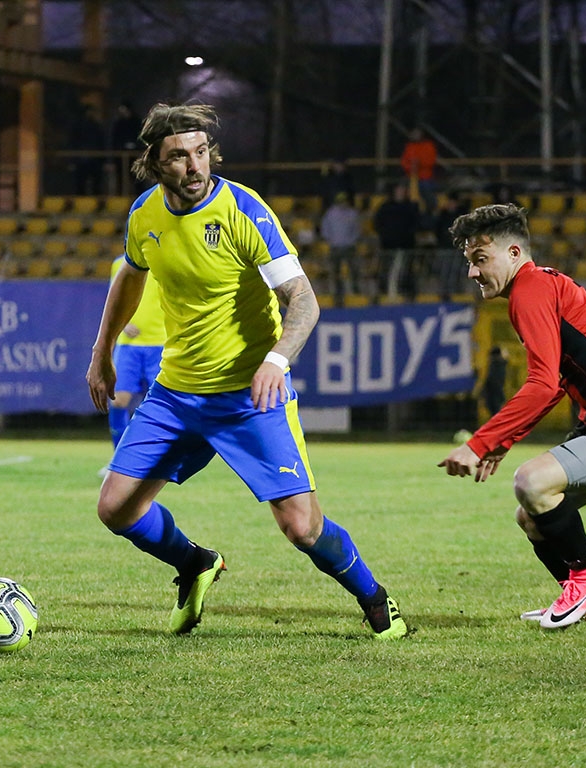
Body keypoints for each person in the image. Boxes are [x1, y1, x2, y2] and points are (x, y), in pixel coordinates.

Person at [85, 102, 406, 639]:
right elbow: (131, 277)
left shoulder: (243, 210)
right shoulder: (144, 215)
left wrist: (276, 360)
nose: (194, 166)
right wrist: (102, 351)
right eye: (179, 156)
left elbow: (303, 299)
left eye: (201, 152)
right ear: (154, 163)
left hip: (247, 398)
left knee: (301, 527)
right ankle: (195, 563)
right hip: (176, 394)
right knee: (116, 509)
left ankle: (374, 597)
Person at [437, 204, 586, 628]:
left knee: (532, 483)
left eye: (480, 259)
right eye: (469, 262)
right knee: (531, 515)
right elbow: (553, 385)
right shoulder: (540, 286)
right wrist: (503, 440)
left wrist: (478, 444)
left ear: (514, 253)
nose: (473, 272)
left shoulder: (530, 290)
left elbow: (542, 385)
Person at [100, 252, 166, 476]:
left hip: (161, 342)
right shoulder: (119, 264)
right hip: (128, 345)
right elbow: (115, 298)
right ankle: (120, 461)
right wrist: (122, 322)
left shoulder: (164, 260)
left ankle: (159, 459)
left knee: (162, 403)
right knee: (118, 400)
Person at [373, 182, 423, 300]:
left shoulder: (411, 207)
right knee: (387, 269)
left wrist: (408, 234)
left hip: (406, 245)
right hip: (388, 246)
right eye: (399, 189)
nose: (400, 192)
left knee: (406, 270)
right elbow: (378, 224)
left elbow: (417, 224)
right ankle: (385, 291)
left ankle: (407, 292)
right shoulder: (385, 207)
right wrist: (386, 235)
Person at [319, 191, 362, 305]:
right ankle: (338, 294)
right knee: (335, 272)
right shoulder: (330, 214)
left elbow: (357, 230)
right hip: (336, 247)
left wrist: (351, 241)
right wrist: (331, 241)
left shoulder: (352, 214)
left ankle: (356, 291)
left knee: (353, 270)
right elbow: (325, 229)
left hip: (349, 247)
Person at [69, 104, 107, 196]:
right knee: (83, 183)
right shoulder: (82, 127)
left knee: (92, 183)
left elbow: (100, 142)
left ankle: (91, 197)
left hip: (90, 158)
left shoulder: (94, 126)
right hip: (85, 158)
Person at [399, 126, 438, 215]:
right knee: (400, 188)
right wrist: (411, 167)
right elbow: (404, 161)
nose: (414, 135)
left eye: (417, 133)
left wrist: (418, 163)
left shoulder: (428, 146)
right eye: (413, 133)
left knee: (426, 190)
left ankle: (431, 210)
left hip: (425, 177)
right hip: (410, 175)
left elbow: (431, 161)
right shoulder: (409, 146)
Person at [481, 345, 509, 417]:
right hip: (496, 394)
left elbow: (492, 380)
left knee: (495, 414)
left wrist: (483, 393)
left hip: (493, 394)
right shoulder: (501, 364)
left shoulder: (495, 365)